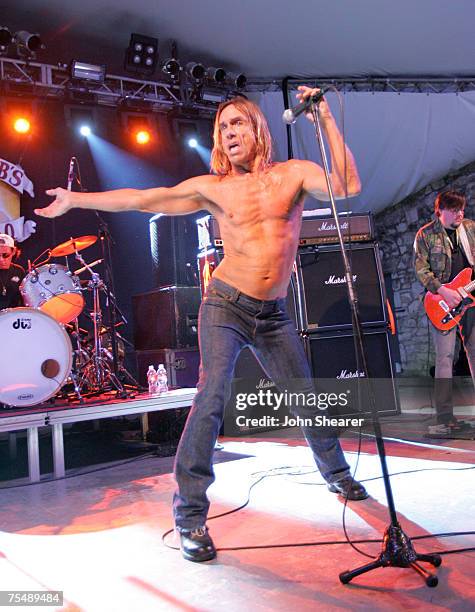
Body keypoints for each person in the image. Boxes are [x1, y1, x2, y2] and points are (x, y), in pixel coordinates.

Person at [35, 86, 368, 563]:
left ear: (257, 129)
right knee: (211, 396)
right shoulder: (213, 187)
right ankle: (190, 515)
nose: (229, 133)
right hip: (226, 306)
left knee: (305, 397)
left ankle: (337, 474)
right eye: (222, 128)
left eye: (237, 124)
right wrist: (76, 199)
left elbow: (347, 186)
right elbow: (140, 197)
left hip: (272, 314)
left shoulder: (293, 175)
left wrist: (324, 118)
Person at [414, 190, 475, 435]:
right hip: (442, 302)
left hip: (470, 299)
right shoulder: (426, 234)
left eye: (462, 209)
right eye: (454, 210)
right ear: (440, 211)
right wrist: (443, 290)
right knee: (445, 358)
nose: (460, 213)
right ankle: (444, 417)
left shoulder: (470, 228)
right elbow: (421, 269)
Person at [0, 233, 25, 310]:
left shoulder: (19, 271)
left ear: (13, 251)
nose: (1, 259)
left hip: (13, 317)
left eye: (5, 255)